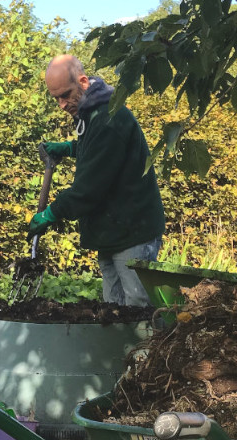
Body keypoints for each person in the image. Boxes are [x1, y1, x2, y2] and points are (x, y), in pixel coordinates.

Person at [28, 54, 165, 306]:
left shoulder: (108, 118)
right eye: (55, 98)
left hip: (132, 230)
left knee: (137, 310)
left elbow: (88, 190)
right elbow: (97, 151)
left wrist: (51, 214)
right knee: (113, 308)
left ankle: (151, 347)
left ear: (82, 81)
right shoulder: (91, 112)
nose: (61, 104)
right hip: (111, 230)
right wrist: (71, 148)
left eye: (66, 95)